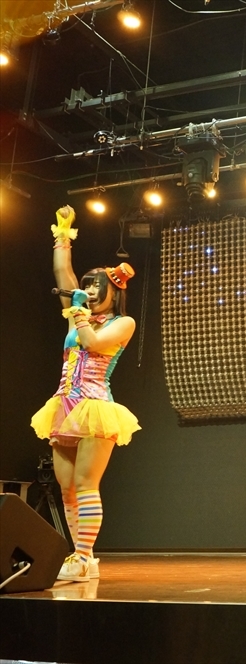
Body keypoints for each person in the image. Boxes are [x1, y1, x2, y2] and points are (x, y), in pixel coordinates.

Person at [30, 205, 140, 583]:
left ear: (113, 292)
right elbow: (63, 273)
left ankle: (81, 555)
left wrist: (78, 312)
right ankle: (84, 558)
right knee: (67, 489)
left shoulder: (122, 323)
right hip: (64, 404)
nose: (89, 291)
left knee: (85, 483)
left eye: (97, 287)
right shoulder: (77, 313)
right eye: (87, 285)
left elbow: (92, 343)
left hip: (94, 406)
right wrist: (63, 233)